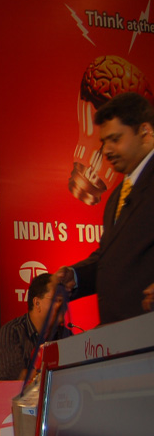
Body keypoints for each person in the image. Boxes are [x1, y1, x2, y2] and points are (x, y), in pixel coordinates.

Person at [51, 92, 154, 324]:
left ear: (145, 131)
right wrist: (76, 276)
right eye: (104, 141)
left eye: (115, 139)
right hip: (121, 333)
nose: (106, 150)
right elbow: (112, 257)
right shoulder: (116, 196)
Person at [0, 272, 72, 381]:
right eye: (57, 300)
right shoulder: (12, 332)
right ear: (37, 303)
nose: (63, 306)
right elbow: (15, 376)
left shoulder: (66, 335)